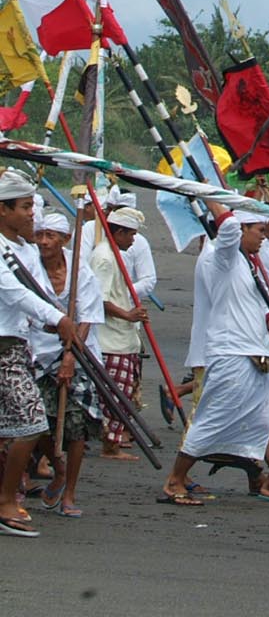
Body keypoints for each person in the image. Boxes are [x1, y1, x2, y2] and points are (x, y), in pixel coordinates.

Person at [158, 209, 269, 511]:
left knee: (268, 423)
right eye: (258, 230)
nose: (263, 236)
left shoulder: (251, 265)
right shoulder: (221, 258)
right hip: (231, 355)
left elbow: (257, 312)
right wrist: (218, 198)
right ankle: (174, 479)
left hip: (257, 353)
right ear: (241, 231)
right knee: (210, 421)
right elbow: (226, 229)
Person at [0, 172, 78, 538]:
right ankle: (5, 502)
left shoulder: (27, 250)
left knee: (18, 427)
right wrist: (57, 317)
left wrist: (52, 322)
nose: (33, 214)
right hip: (2, 349)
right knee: (31, 422)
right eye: (26, 207)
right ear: (4, 210)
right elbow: (14, 293)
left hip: (19, 348)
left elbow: (38, 297)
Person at [29, 209, 102, 519]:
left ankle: (69, 491)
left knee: (77, 426)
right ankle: (57, 467)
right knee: (35, 420)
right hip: (39, 351)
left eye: (51, 237)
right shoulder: (29, 267)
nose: (44, 242)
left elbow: (86, 317)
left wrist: (70, 355)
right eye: (40, 235)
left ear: (65, 240)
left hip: (79, 351)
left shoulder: (79, 271)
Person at [91, 207, 148, 461]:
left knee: (121, 394)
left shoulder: (114, 255)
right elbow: (99, 300)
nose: (133, 240)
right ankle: (110, 445)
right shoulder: (104, 257)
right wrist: (128, 315)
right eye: (130, 235)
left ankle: (112, 441)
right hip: (110, 339)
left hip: (121, 339)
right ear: (119, 232)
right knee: (115, 396)